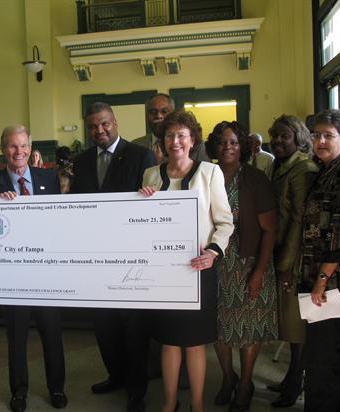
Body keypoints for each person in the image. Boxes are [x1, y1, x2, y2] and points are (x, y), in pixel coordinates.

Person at [139, 110, 233, 412]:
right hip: (162, 272)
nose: (175, 141)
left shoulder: (210, 173)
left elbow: (225, 222)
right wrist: (141, 203)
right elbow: (141, 224)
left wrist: (213, 252)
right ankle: (169, 403)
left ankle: (196, 405)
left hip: (198, 268)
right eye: (169, 135)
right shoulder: (151, 175)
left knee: (194, 342)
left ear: (193, 140)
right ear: (162, 141)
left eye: (182, 135)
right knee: (168, 341)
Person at [70, 102, 156, 412]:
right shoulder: (81, 162)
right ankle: (115, 376)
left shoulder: (140, 156)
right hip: (95, 257)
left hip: (131, 258)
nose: (100, 130)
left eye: (104, 123)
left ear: (115, 122)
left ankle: (136, 391)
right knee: (104, 324)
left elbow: (151, 206)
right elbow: (76, 205)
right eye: (93, 126)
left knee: (133, 327)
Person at [0, 125, 67, 412]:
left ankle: (57, 388)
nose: (19, 151)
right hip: (12, 277)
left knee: (52, 334)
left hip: (46, 274)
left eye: (23, 146)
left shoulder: (49, 179)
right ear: (2, 149)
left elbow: (59, 222)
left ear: (30, 147)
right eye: (12, 146)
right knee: (16, 338)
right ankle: (18, 391)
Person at [212, 121, 278, 412]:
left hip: (248, 263)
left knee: (248, 328)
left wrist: (259, 272)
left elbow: (270, 230)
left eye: (233, 142)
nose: (227, 147)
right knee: (217, 328)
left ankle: (245, 383)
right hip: (215, 264)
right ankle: (229, 377)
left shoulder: (255, 179)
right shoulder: (206, 175)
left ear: (243, 147)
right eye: (221, 142)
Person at [299, 109, 340, 412]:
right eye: (316, 135)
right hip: (317, 278)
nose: (320, 140)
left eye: (328, 136)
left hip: (335, 285)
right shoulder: (323, 169)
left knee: (326, 359)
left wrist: (321, 281)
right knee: (325, 356)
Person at [267, 114, 318, 408]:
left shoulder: (303, 168)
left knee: (297, 327)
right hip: (281, 251)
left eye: (284, 136)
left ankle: (295, 382)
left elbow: (300, 220)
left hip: (296, 259)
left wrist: (287, 265)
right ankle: (291, 378)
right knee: (289, 324)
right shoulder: (280, 164)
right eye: (275, 136)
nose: (278, 141)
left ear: (299, 139)